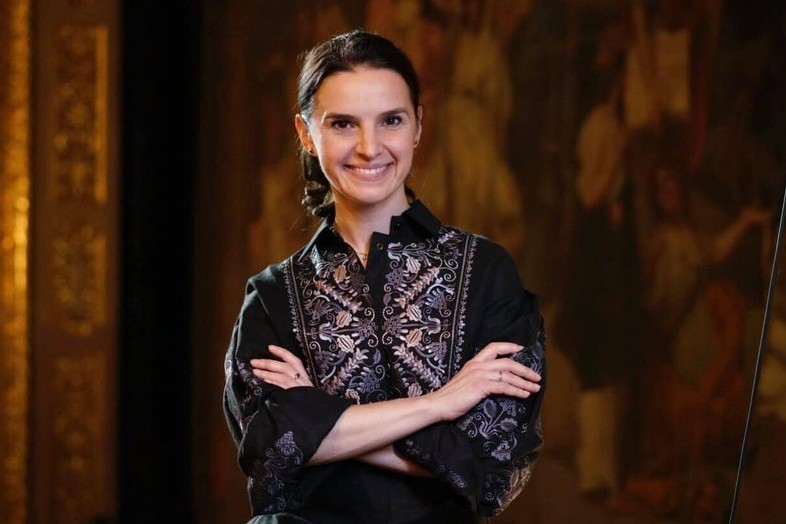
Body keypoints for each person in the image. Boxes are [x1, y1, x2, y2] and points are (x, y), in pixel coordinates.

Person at [223, 29, 546, 524]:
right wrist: (443, 403)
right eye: (343, 124)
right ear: (306, 134)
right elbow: (270, 450)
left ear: (418, 125)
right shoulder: (271, 297)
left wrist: (319, 421)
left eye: (391, 120)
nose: (369, 148)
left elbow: (491, 463)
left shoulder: (486, 272)